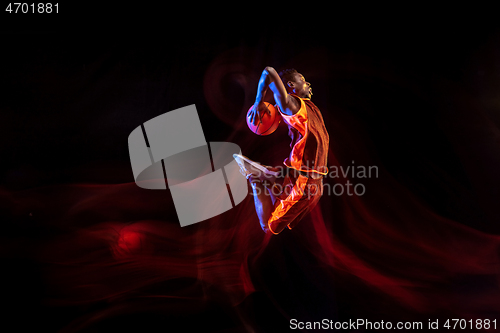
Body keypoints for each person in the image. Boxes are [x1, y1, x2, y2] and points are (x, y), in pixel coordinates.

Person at [233, 67, 330, 234]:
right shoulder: (291, 106)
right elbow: (269, 72)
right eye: (303, 79)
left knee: (282, 206)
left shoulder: (310, 108)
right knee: (269, 227)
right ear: (291, 85)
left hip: (315, 182)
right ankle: (254, 177)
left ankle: (264, 173)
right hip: (304, 180)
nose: (308, 83)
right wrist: (258, 101)